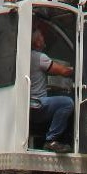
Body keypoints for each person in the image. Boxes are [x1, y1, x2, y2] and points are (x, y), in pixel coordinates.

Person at [29, 22, 74, 152]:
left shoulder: (26, 56)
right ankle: (51, 140)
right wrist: (77, 70)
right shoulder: (39, 57)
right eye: (42, 37)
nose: (44, 39)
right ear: (37, 42)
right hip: (37, 105)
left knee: (56, 99)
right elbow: (63, 71)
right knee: (67, 103)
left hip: (29, 106)